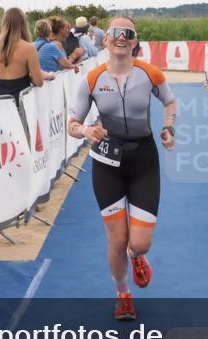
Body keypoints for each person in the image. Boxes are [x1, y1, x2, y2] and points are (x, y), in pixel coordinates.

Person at [67, 17, 177, 321]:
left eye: (128, 34)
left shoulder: (149, 73)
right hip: (107, 163)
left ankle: (137, 256)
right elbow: (72, 124)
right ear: (105, 40)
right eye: (115, 32)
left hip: (143, 160)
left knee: (139, 243)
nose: (121, 37)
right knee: (116, 238)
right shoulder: (91, 80)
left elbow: (170, 102)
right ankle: (123, 294)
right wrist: (86, 132)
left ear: (134, 41)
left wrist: (169, 129)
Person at [0, 8, 45, 103]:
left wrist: (4, 80)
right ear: (23, 24)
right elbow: (39, 82)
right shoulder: (29, 48)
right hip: (23, 104)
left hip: (2, 103)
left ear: (4, 23)